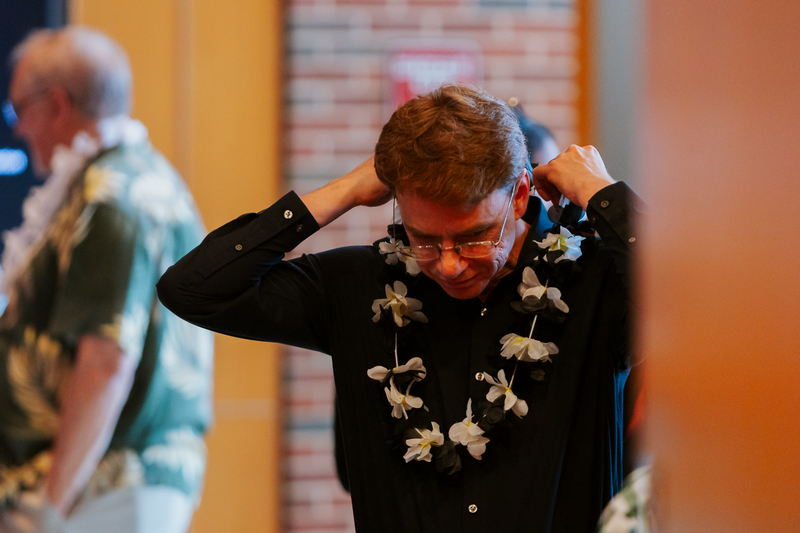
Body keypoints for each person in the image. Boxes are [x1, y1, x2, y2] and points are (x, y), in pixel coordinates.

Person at [158, 84, 641, 532]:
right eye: (425, 239)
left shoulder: (596, 283)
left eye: (474, 237)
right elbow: (194, 289)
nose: (449, 266)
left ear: (518, 195)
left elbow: (704, 306)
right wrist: (344, 190)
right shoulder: (359, 285)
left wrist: (603, 194)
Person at [0, 27, 213, 533]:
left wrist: (50, 505)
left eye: (17, 110)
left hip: (102, 489)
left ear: (56, 105)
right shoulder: (123, 177)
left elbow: (106, 362)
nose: (17, 130)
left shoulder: (112, 195)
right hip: (99, 487)